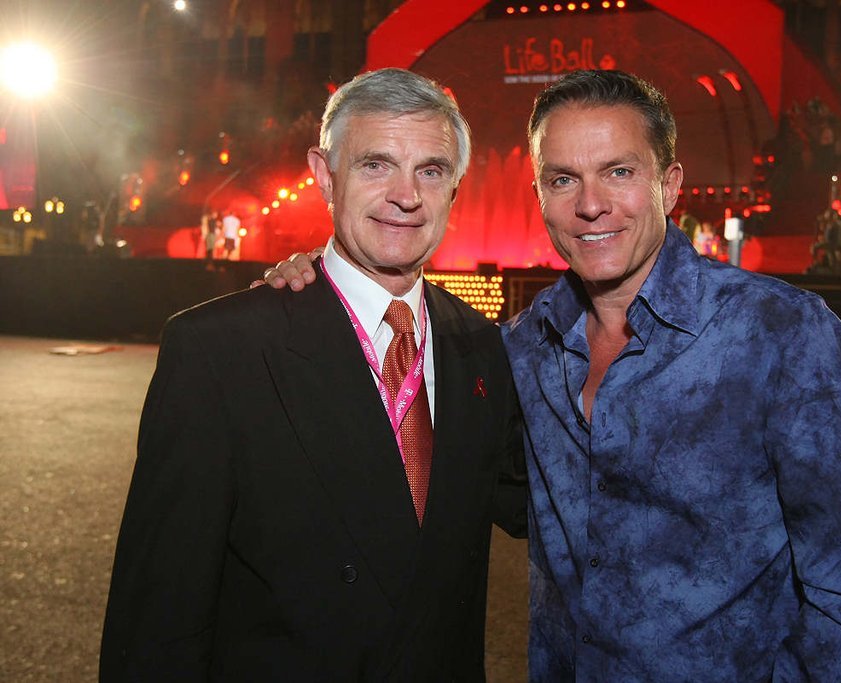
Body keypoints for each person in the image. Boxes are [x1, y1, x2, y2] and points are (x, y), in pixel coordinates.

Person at [263, 70, 841, 681]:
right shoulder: (517, 349)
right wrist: (329, 281)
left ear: (669, 184)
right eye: (562, 179)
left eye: (619, 172)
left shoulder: (778, 333)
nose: (591, 205)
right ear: (539, 195)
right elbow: (462, 484)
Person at [100, 68, 527, 682]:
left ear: (454, 188)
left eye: (430, 171)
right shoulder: (221, 349)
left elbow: (547, 503)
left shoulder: (482, 348)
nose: (406, 195)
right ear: (324, 175)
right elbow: (159, 613)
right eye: (376, 165)